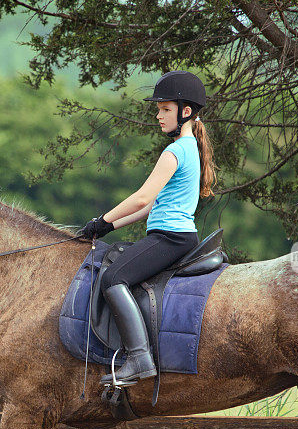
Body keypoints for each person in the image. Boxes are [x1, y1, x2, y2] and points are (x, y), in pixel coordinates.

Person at [80, 70, 218, 385]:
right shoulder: (188, 149)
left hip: (171, 237)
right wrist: (105, 228)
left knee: (113, 278)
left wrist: (102, 218)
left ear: (186, 112)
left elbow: (142, 197)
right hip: (172, 234)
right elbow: (146, 210)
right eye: (158, 110)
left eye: (165, 109)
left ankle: (139, 358)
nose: (158, 116)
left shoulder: (174, 152)